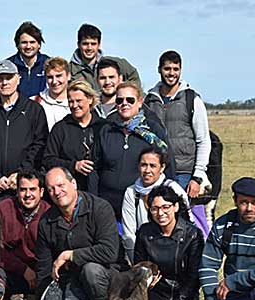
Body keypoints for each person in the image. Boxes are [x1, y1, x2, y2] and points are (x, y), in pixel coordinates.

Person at [34, 166, 120, 300]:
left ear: (73, 183)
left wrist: (70, 255)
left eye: (60, 185)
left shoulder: (100, 208)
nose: (57, 192)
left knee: (91, 271)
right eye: (51, 189)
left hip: (106, 275)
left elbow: (110, 252)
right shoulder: (46, 221)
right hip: (70, 278)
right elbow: (43, 267)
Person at [145, 51, 212, 239]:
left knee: (191, 221)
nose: (171, 73)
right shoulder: (149, 101)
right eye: (167, 68)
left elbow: (203, 139)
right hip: (157, 172)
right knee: (160, 220)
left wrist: (197, 176)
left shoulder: (191, 99)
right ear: (159, 70)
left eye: (176, 69)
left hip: (185, 172)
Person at [87, 81, 174, 223]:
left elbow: (168, 164)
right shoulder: (107, 129)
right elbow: (94, 168)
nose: (124, 103)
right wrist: (94, 201)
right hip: (107, 207)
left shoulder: (153, 130)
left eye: (130, 100)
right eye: (119, 100)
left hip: (142, 205)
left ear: (139, 102)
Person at [134, 185, 203, 300]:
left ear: (176, 206)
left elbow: (194, 279)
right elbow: (138, 265)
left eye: (166, 207)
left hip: (183, 297)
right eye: (155, 208)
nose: (160, 213)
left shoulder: (192, 235)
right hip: (156, 294)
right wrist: (145, 281)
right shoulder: (144, 232)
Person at [0, 59, 48, 202]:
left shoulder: (34, 110)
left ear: (18, 79)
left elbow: (39, 145)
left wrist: (20, 174)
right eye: (0, 78)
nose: (5, 82)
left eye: (9, 78)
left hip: (25, 188)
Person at [0, 170, 50, 300]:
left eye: (32, 189)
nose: (28, 195)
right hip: (9, 269)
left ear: (41, 191)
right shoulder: (3, 208)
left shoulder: (50, 214)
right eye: (23, 190)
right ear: (17, 191)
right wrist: (23, 269)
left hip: (40, 272)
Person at [121, 147, 189, 262]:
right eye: (143, 165)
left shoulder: (173, 189)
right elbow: (129, 234)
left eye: (152, 166)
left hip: (175, 252)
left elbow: (187, 224)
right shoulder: (131, 193)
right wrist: (139, 264)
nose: (147, 170)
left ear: (162, 168)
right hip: (144, 251)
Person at [43, 80, 108, 191]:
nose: (74, 105)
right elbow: (48, 160)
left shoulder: (104, 127)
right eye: (71, 101)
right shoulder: (60, 128)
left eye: (79, 101)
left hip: (101, 189)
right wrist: (74, 166)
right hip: (70, 190)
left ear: (90, 99)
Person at [68, 24, 141, 92]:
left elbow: (133, 77)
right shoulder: (69, 70)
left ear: (99, 45)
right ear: (78, 45)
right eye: (85, 44)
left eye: (93, 44)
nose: (89, 48)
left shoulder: (116, 63)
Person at [7, 21, 49, 97]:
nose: (28, 46)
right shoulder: (8, 65)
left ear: (39, 44)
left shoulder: (48, 64)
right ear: (17, 45)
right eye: (24, 42)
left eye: (32, 42)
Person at [31, 57, 70, 130]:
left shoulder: (77, 102)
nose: (54, 81)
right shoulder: (34, 102)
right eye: (50, 77)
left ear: (68, 76)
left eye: (59, 76)